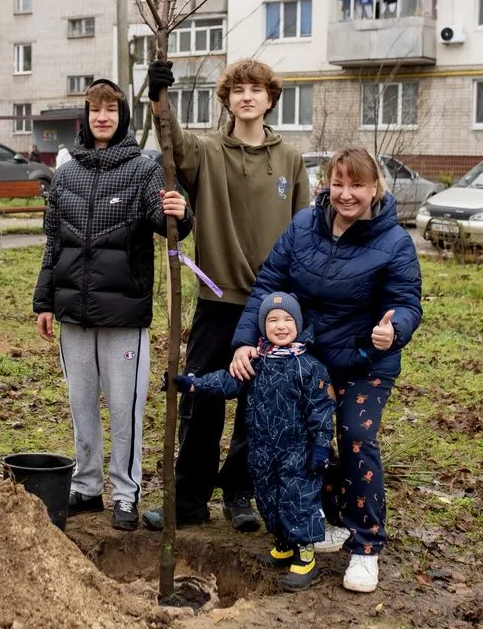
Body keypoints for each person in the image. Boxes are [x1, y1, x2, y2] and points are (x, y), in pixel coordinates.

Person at [229, 147, 422, 593]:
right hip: (309, 361)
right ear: (327, 184)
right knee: (299, 437)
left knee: (355, 435)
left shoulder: (394, 242)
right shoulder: (303, 227)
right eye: (339, 183)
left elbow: (406, 303)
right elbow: (269, 284)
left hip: (364, 361)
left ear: (376, 189)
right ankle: (323, 516)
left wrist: (394, 332)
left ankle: (366, 545)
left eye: (357, 185)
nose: (346, 194)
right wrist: (244, 342)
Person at [141, 59, 311, 534]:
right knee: (201, 398)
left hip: (272, 306)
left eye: (256, 89)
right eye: (237, 89)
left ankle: (240, 494)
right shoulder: (209, 151)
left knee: (258, 404)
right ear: (227, 99)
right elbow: (173, 143)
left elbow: (304, 231)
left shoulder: (291, 160)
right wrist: (159, 99)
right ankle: (190, 498)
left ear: (271, 98)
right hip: (218, 298)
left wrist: (297, 299)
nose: (247, 97)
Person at [33, 79, 192, 532]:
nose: (103, 116)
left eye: (111, 109)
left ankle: (125, 493)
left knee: (125, 407)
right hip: (72, 314)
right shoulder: (65, 174)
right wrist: (45, 300)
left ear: (123, 117)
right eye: (95, 109)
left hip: (124, 316)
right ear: (85, 116)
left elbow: (169, 225)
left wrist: (178, 209)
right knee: (81, 403)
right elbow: (52, 245)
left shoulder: (144, 170)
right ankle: (86, 486)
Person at [172, 292, 334, 592]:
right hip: (262, 448)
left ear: (298, 324)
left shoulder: (309, 367)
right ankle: (284, 544)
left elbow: (321, 411)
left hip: (297, 450)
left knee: (297, 500)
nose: (281, 326)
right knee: (269, 498)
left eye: (288, 320)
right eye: (273, 320)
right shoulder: (256, 362)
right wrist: (193, 384)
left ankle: (305, 556)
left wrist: (321, 447)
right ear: (263, 327)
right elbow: (226, 381)